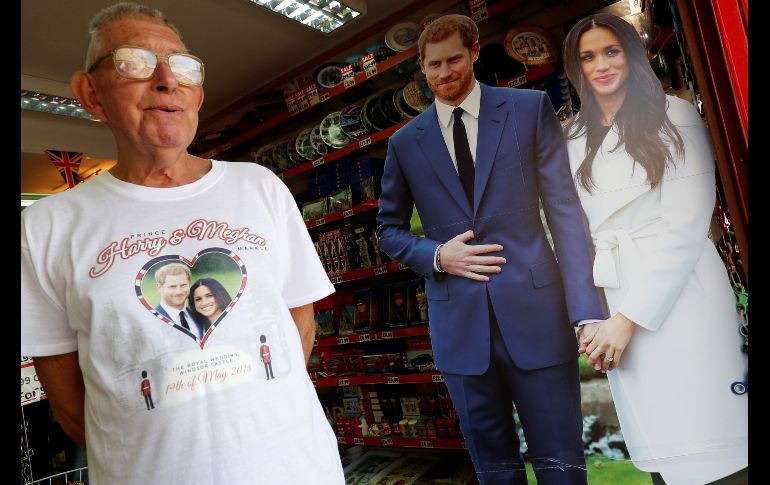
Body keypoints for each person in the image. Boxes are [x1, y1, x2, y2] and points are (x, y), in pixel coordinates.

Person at [20, 3, 344, 484]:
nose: (167, 80)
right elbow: (69, 404)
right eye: (135, 61)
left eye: (183, 67)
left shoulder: (260, 186)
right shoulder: (46, 226)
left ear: (197, 96)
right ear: (91, 93)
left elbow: (299, 325)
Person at [376, 14, 604, 484]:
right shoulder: (404, 144)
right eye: (434, 65)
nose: (444, 73)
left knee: (561, 460)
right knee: (494, 469)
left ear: (475, 52)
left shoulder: (528, 109)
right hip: (459, 328)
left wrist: (585, 310)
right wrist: (437, 256)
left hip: (537, 315)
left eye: (454, 59)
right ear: (422, 66)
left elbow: (564, 210)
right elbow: (387, 230)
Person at [561, 13, 748, 485]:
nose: (601, 65)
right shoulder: (572, 136)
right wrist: (591, 318)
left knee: (713, 435)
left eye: (611, 51)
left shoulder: (675, 114)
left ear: (631, 54)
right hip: (615, 294)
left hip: (683, 291)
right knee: (662, 444)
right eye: (588, 57)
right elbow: (574, 231)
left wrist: (627, 320)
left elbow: (686, 224)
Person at [152, 262, 195, 334]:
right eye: (172, 286)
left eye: (183, 285)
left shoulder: (197, 316)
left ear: (190, 284)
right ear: (159, 287)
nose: (179, 292)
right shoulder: (151, 320)